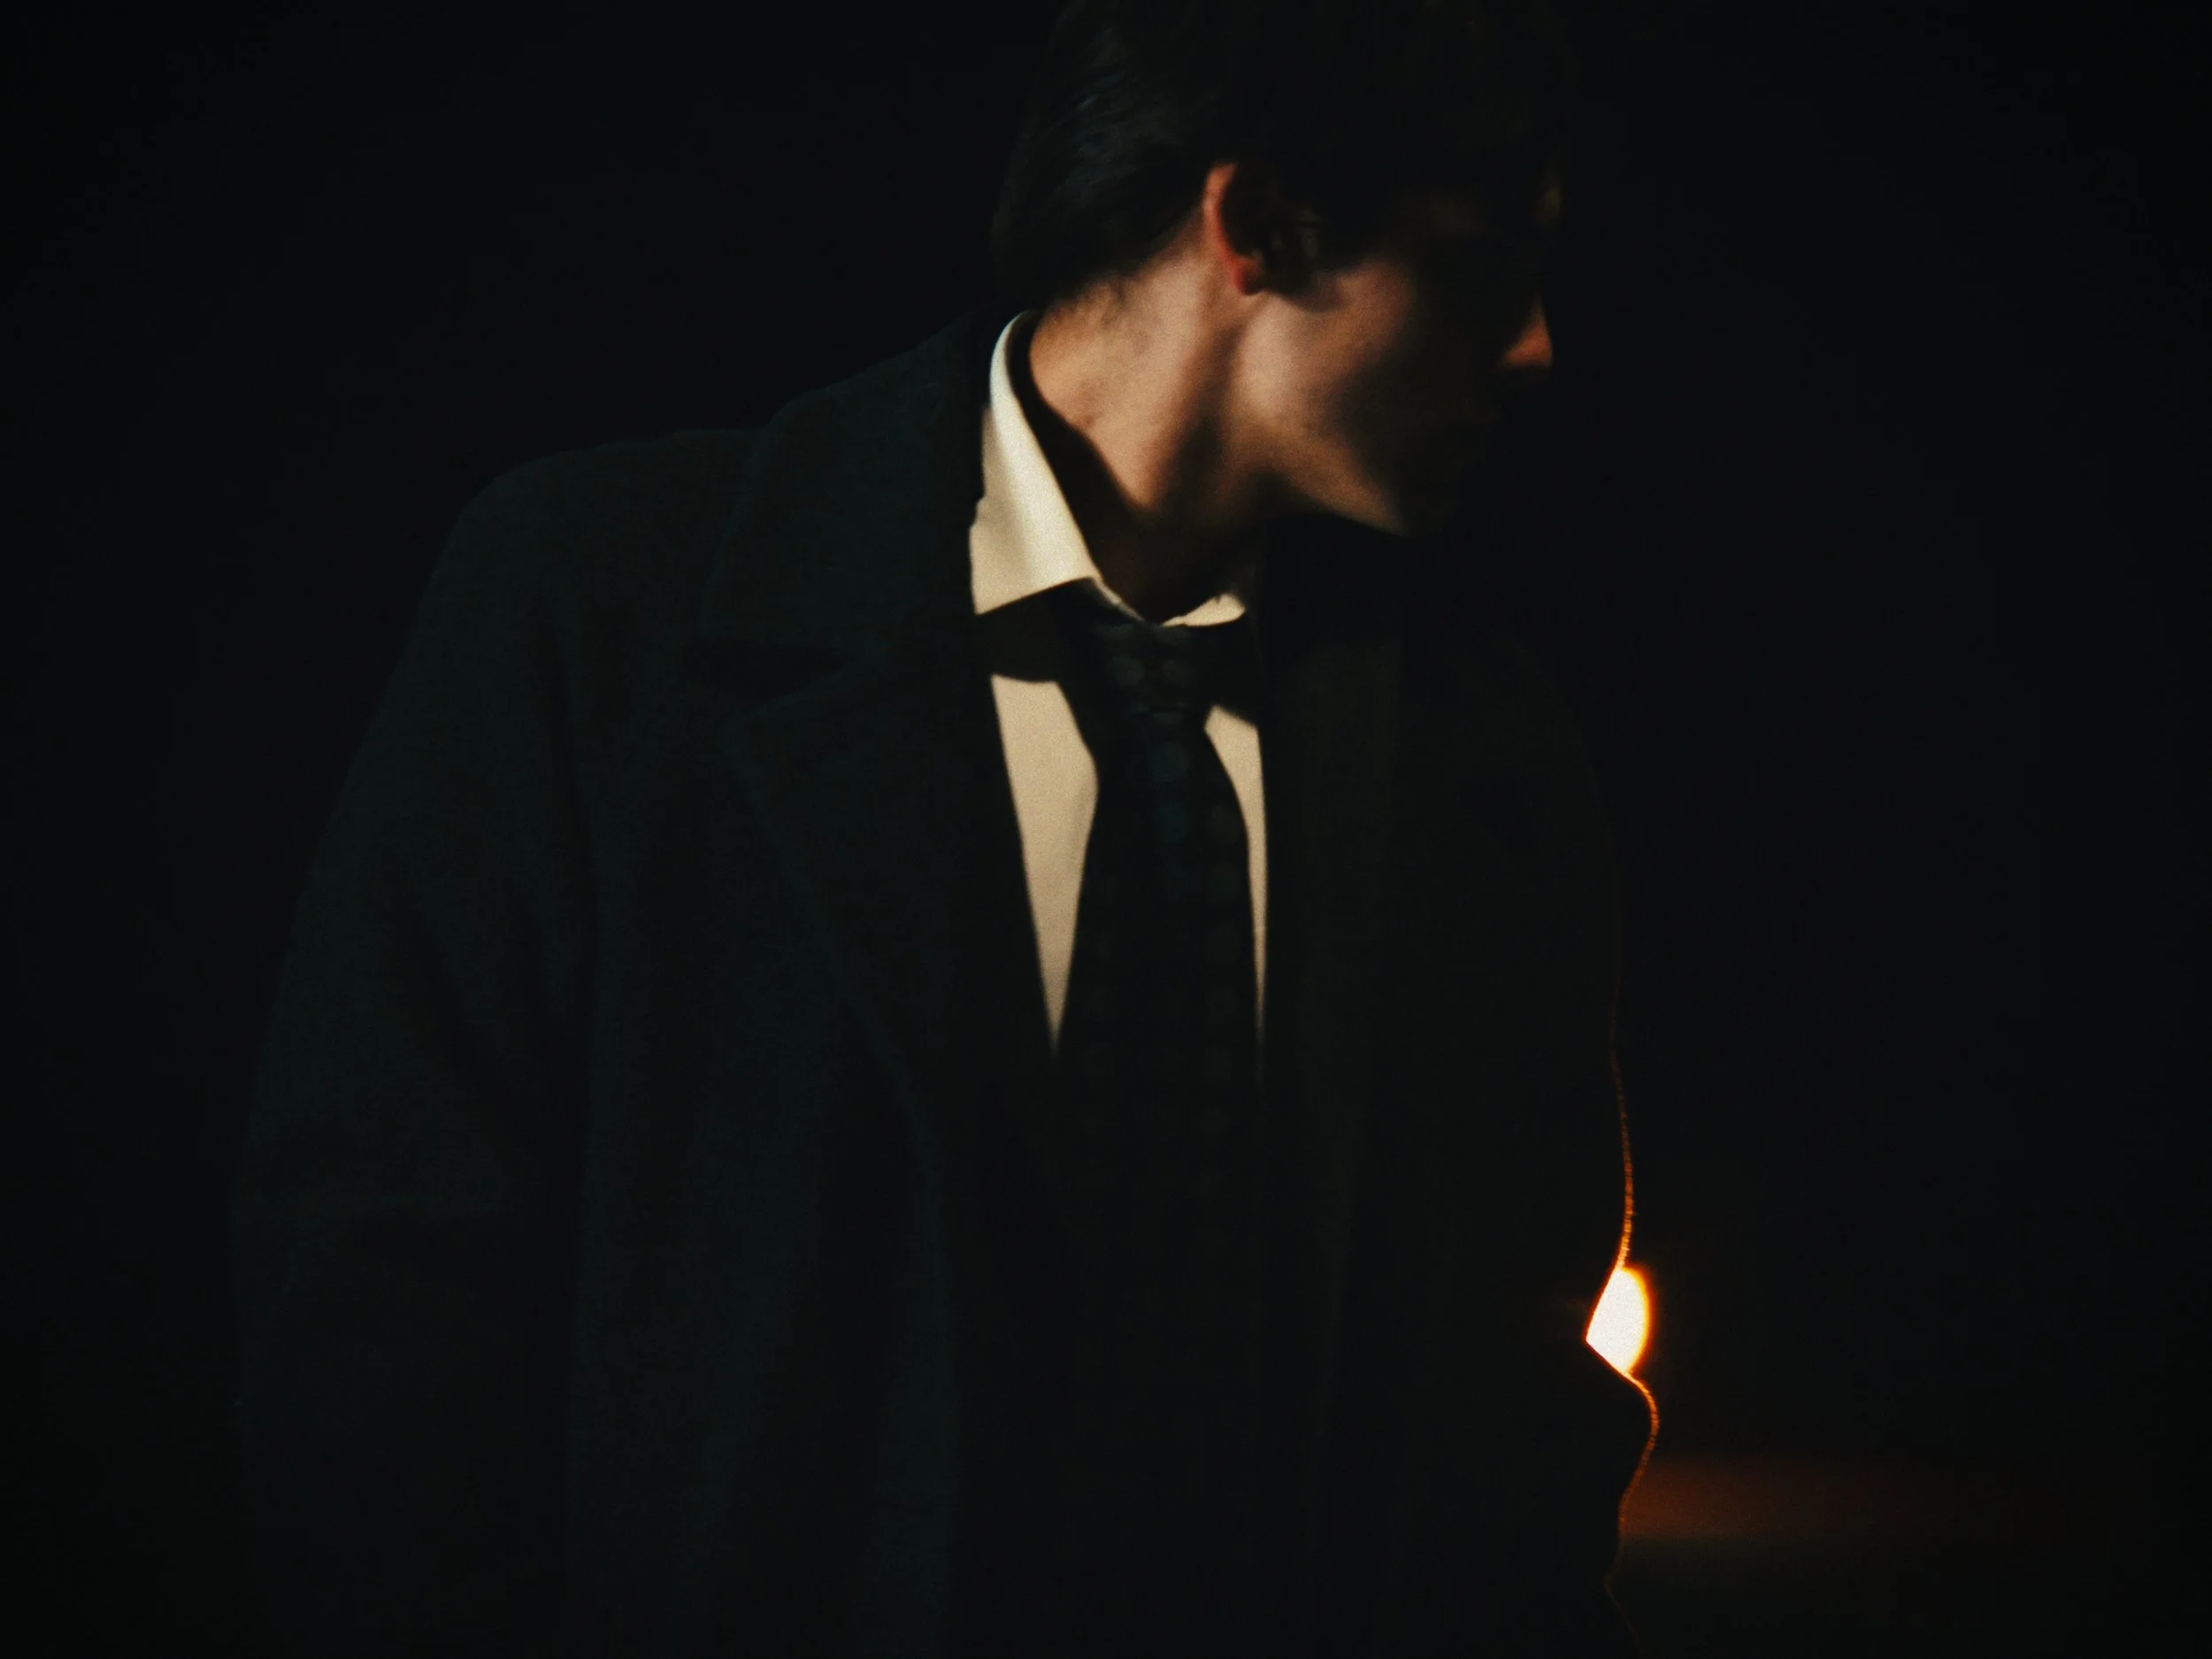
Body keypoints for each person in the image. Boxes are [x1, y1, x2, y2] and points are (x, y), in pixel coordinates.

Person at [229, 0, 1656, 1654]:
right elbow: (381, 1327)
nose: (1535, 347)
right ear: (1259, 221)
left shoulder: (1484, 750)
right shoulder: (600, 614)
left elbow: (1524, 1421)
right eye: (1483, 259)